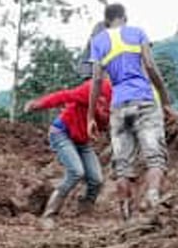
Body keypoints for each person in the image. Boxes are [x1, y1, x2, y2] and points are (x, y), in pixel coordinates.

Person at [86, 3, 176, 219]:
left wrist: (90, 116)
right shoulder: (137, 33)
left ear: (106, 22)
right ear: (124, 17)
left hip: (118, 106)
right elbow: (151, 67)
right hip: (144, 101)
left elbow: (97, 80)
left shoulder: (98, 42)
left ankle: (126, 216)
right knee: (155, 158)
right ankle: (153, 198)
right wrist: (165, 101)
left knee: (122, 165)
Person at [24, 72, 112, 228]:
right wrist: (38, 104)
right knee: (76, 172)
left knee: (97, 179)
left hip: (82, 141)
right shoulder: (96, 88)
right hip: (62, 133)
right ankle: (49, 215)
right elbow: (64, 96)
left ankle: (85, 211)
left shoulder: (124, 98)